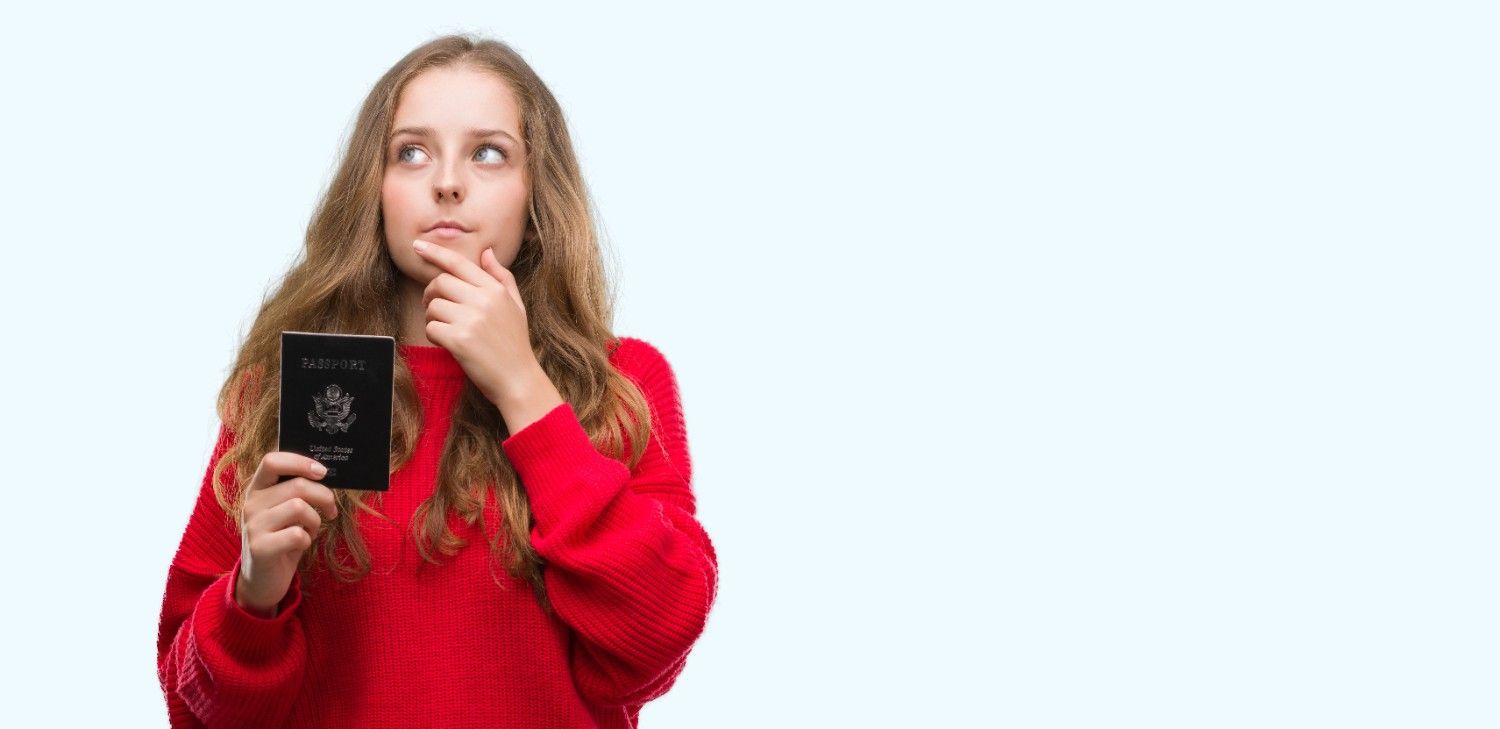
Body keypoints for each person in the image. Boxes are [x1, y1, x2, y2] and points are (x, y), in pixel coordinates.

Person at [156, 33, 719, 728]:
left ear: (535, 189)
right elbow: (193, 708)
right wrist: (253, 595)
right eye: (412, 151)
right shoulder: (282, 387)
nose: (447, 181)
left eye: (488, 152)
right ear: (376, 189)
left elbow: (659, 634)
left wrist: (524, 389)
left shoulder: (623, 384)